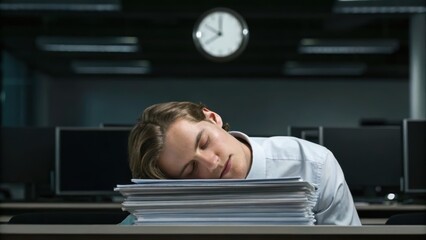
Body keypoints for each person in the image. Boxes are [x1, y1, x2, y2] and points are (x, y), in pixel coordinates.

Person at [122, 101, 361, 225]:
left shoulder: (314, 164)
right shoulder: (180, 199)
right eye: (191, 169)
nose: (211, 163)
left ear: (213, 118)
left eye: (204, 142)